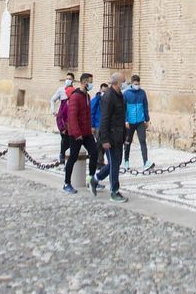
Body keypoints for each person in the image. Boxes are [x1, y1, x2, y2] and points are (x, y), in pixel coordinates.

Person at [92, 72, 128, 202]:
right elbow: (104, 119)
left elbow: (120, 117)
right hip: (110, 137)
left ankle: (95, 179)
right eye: (124, 81)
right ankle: (114, 191)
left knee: (116, 163)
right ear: (116, 83)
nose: (125, 83)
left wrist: (125, 135)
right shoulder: (108, 97)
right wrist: (105, 140)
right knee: (114, 164)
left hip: (119, 136)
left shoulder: (120, 96)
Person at [61, 74, 97, 195]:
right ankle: (67, 183)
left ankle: (92, 179)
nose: (91, 84)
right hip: (76, 134)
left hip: (87, 132)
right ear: (84, 82)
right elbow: (72, 117)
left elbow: (87, 114)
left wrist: (91, 128)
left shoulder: (87, 96)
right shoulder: (75, 97)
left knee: (95, 152)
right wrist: (77, 133)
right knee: (73, 158)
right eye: (90, 82)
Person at [122, 74, 151, 172]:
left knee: (143, 141)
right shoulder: (126, 93)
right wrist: (125, 120)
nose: (137, 85)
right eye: (135, 84)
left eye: (138, 84)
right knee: (128, 142)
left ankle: (146, 161)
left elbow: (145, 106)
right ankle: (126, 161)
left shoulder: (142, 93)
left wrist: (147, 119)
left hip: (140, 121)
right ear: (132, 83)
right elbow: (124, 108)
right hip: (130, 122)